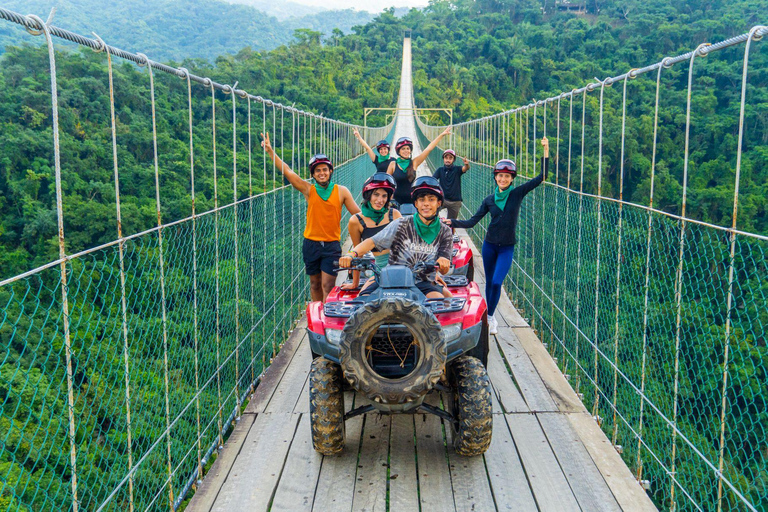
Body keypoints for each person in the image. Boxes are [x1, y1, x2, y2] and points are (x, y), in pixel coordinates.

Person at [446, 137, 549, 334]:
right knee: (490, 283)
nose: (503, 179)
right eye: (500, 176)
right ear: (495, 177)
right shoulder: (489, 200)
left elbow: (542, 176)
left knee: (496, 282)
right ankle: (490, 317)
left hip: (506, 248)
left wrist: (546, 149)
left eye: (507, 177)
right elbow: (471, 222)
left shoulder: (517, 194)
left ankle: (491, 317)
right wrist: (452, 222)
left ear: (512, 179)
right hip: (489, 246)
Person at [261, 132, 360, 302]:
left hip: (331, 245)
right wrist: (270, 151)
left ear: (330, 171)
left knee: (328, 285)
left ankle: (328, 318)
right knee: (314, 284)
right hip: (311, 244)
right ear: (313, 174)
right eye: (317, 171)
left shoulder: (342, 191)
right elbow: (289, 172)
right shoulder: (309, 190)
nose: (322, 173)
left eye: (324, 170)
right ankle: (317, 317)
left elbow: (358, 216)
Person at [339, 176, 453, 299]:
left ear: (439, 203)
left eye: (431, 199)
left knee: (440, 302)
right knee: (364, 301)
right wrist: (351, 254)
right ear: (415, 203)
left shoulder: (445, 231)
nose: (426, 204)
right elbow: (371, 242)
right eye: (421, 200)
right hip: (391, 278)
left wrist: (442, 264)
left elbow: (444, 266)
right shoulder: (402, 224)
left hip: (422, 280)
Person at [341, 173, 402, 290]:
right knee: (363, 299)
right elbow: (358, 253)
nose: (380, 200)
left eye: (384, 196)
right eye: (376, 194)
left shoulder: (394, 214)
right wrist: (355, 283)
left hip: (402, 268)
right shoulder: (356, 221)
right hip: (380, 272)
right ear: (368, 195)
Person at [386, 127, 452, 210]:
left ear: (410, 151)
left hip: (412, 200)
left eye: (408, 149)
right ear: (399, 151)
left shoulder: (414, 162)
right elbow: (386, 182)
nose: (406, 151)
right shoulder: (393, 164)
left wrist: (441, 135)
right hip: (396, 201)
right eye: (403, 149)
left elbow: (428, 149)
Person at [433, 149, 470, 220]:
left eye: (450, 158)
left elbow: (465, 168)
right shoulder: (440, 170)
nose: (448, 160)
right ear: (443, 159)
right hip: (442, 199)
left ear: (453, 160)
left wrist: (466, 164)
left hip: (455, 202)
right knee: (432, 215)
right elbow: (432, 180)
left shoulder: (457, 169)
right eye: (446, 158)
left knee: (451, 224)